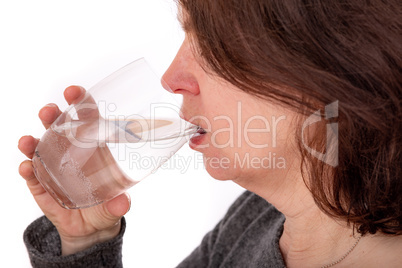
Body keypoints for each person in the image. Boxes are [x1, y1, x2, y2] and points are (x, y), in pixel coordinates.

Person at [18, 0, 402, 267]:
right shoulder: (257, 219)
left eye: (215, 44)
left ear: (323, 65)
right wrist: (85, 245)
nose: (171, 79)